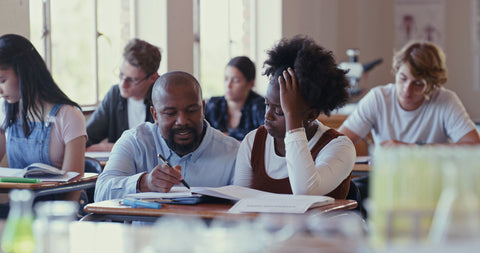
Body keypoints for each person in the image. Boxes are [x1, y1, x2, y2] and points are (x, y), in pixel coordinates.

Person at [338, 41, 480, 206]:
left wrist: (411, 149)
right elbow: (340, 142)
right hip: (388, 181)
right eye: (403, 78)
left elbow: (474, 147)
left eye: (418, 84)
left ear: (433, 84)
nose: (406, 89)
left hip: (431, 183)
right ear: (396, 71)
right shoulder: (379, 98)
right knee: (354, 195)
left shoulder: (445, 100)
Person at [233, 36, 356, 198]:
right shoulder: (253, 142)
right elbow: (238, 203)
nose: (267, 116)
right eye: (267, 104)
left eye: (279, 111)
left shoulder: (340, 147)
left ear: (311, 114)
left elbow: (306, 192)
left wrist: (293, 121)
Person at [95, 71, 240, 201]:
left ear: (202, 108)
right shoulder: (135, 142)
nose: (182, 121)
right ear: (155, 115)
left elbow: (248, 209)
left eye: (191, 110)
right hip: (146, 232)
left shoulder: (233, 152)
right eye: (170, 113)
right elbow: (101, 193)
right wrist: (144, 183)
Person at [0, 34, 86, 202]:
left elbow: (73, 188)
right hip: (20, 210)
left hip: (57, 211)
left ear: (24, 72)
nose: (0, 91)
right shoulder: (5, 110)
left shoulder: (68, 115)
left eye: (2, 80)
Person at [86, 38, 161, 150]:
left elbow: (163, 147)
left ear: (153, 78)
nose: (123, 84)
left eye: (132, 80)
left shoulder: (164, 99)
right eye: (121, 75)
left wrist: (118, 147)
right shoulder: (114, 95)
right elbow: (87, 138)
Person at [205, 56, 265, 141]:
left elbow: (265, 142)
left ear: (250, 84)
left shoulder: (260, 107)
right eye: (226, 79)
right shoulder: (213, 105)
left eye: (236, 80)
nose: (228, 85)